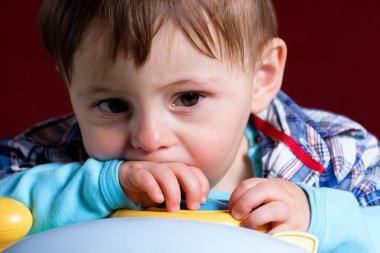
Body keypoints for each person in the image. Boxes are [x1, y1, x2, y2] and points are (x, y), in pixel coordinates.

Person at [0, 0, 379, 252]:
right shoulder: (39, 157)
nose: (149, 139)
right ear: (70, 86)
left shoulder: (336, 154)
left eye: (188, 98)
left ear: (261, 77)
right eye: (113, 105)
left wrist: (322, 218)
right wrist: (98, 190)